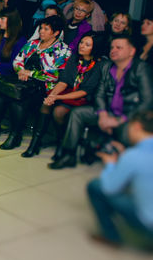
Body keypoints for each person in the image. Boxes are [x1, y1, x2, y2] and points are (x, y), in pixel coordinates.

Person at [51, 35, 153, 169]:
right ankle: (69, 155)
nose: (113, 50)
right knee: (77, 113)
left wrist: (119, 120)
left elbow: (147, 101)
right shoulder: (107, 67)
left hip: (129, 115)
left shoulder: (141, 68)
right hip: (108, 111)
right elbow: (99, 94)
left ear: (131, 51)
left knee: (129, 130)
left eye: (119, 48)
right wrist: (103, 114)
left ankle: (123, 165)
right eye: (112, 47)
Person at [0, 16, 69, 151]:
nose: (41, 31)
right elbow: (17, 60)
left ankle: (15, 135)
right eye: (41, 28)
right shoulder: (33, 43)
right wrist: (21, 71)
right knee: (0, 93)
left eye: (46, 29)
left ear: (56, 32)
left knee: (18, 99)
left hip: (44, 87)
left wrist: (31, 74)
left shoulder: (62, 50)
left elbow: (56, 74)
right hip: (22, 80)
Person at [87, 110, 153, 249]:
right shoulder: (133, 155)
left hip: (149, 226)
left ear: (137, 126)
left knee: (95, 186)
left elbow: (109, 188)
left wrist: (110, 164)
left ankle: (111, 236)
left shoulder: (133, 156)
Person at [32, 32, 103, 158]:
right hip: (69, 94)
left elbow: (85, 91)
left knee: (58, 111)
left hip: (84, 99)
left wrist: (57, 97)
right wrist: (52, 96)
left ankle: (62, 143)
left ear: (95, 48)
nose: (82, 46)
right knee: (46, 104)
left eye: (87, 45)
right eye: (81, 42)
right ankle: (35, 143)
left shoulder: (99, 65)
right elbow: (63, 81)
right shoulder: (74, 58)